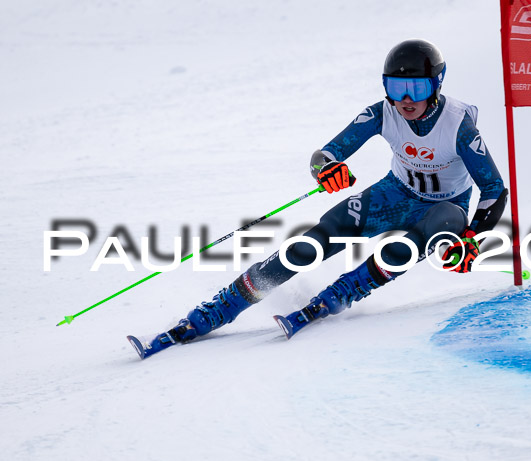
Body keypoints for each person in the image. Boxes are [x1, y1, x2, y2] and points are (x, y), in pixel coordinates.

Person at [166, 39, 507, 343]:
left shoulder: (457, 124)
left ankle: (342, 293)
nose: (405, 99)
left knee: (425, 230)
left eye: (416, 89)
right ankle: (222, 307)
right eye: (396, 87)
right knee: (315, 240)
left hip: (445, 209)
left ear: (436, 85)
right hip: (394, 195)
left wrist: (473, 236)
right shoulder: (382, 112)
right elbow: (323, 155)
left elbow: (493, 190)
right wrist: (327, 170)